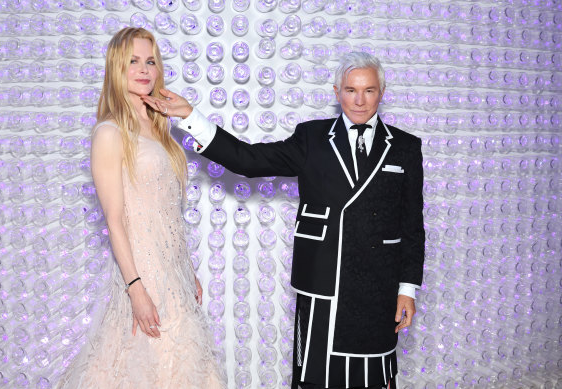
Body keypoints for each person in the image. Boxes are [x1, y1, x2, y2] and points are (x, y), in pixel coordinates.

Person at [143, 51, 424, 389]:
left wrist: (407, 289)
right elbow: (247, 160)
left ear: (381, 92)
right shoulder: (312, 139)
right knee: (318, 380)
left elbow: (412, 226)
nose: (360, 100)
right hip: (324, 286)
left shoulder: (405, 147)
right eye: (351, 90)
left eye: (369, 91)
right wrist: (191, 116)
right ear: (337, 93)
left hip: (378, 286)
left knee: (375, 380)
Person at [58, 27, 226, 389]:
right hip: (142, 272)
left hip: (174, 275)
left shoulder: (162, 128)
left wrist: (187, 269)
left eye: (150, 61)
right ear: (117, 67)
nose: (144, 69)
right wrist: (135, 288)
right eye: (133, 61)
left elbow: (167, 213)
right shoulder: (109, 132)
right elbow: (115, 221)